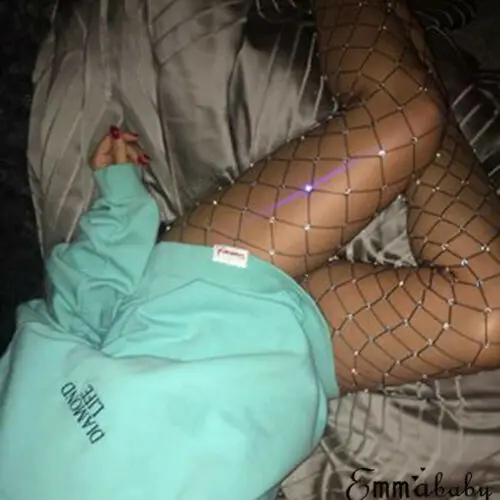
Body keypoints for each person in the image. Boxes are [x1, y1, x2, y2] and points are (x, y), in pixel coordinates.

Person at [1, 0, 500, 499]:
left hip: (206, 281)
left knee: (404, 119)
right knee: (489, 315)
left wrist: (119, 203)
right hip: (301, 360)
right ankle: (405, 31)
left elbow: (70, 319)